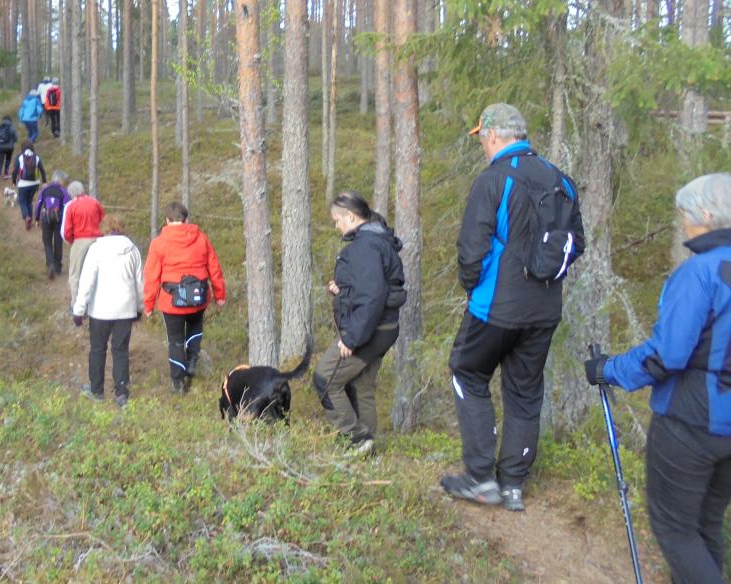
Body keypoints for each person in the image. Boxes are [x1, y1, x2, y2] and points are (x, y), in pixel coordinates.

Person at [585, 173, 731, 583]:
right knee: (706, 524)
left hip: (691, 422)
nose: (683, 222)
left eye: (686, 213)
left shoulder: (699, 272)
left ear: (706, 216)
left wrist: (608, 370)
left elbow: (668, 354)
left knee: (675, 529)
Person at [441, 103, 584, 513]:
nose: (482, 145)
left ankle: (480, 477)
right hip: (544, 309)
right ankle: (513, 485)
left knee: (467, 372)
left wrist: (474, 286)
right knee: (524, 392)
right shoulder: (561, 180)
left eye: (482, 138)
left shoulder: (494, 180)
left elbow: (471, 249)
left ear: (492, 135)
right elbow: (577, 242)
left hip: (495, 307)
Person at [312, 192, 406, 457]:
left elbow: (372, 296)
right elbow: (371, 286)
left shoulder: (366, 246)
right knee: (361, 385)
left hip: (370, 330)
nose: (336, 225)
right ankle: (368, 452)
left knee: (325, 379)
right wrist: (342, 289)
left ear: (351, 217)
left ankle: (356, 439)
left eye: (337, 220)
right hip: (384, 328)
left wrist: (351, 338)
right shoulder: (376, 241)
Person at [143, 201, 226, 394]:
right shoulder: (201, 239)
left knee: (175, 340)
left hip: (171, 301)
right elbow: (214, 268)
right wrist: (220, 295)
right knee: (195, 329)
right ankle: (192, 361)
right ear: (186, 219)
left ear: (167, 220)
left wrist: (148, 305)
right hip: (198, 298)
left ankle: (178, 382)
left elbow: (151, 277)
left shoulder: (158, 243)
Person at [72, 214, 145, 407]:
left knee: (98, 349)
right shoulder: (133, 250)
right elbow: (139, 283)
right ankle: (121, 393)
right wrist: (139, 307)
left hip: (100, 309)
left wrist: (79, 310)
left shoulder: (96, 249)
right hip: (125, 309)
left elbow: (86, 282)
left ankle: (96, 390)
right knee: (121, 350)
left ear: (104, 228)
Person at [63, 181, 104, 302]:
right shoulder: (95, 202)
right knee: (98, 272)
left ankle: (76, 303)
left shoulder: (72, 206)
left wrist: (71, 241)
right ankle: (97, 301)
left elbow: (67, 230)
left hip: (80, 240)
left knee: (75, 274)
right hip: (97, 240)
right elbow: (104, 220)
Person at [34, 171, 70, 280]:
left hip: (46, 218)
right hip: (59, 219)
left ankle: (50, 264)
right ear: (60, 180)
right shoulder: (63, 191)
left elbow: (38, 204)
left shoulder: (45, 190)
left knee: (47, 242)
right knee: (58, 242)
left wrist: (37, 218)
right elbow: (68, 206)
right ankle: (58, 267)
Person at [12, 140, 46, 230]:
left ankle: (26, 217)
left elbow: (15, 171)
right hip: (35, 183)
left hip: (23, 184)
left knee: (22, 201)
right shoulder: (36, 157)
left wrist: (14, 181)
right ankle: (30, 219)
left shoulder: (20, 157)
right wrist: (44, 181)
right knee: (29, 201)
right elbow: (42, 170)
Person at [0, 115, 17, 181]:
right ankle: (6, 174)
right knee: (8, 159)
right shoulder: (11, 127)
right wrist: (13, 141)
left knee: (0, 161)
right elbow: (15, 138)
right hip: (9, 147)